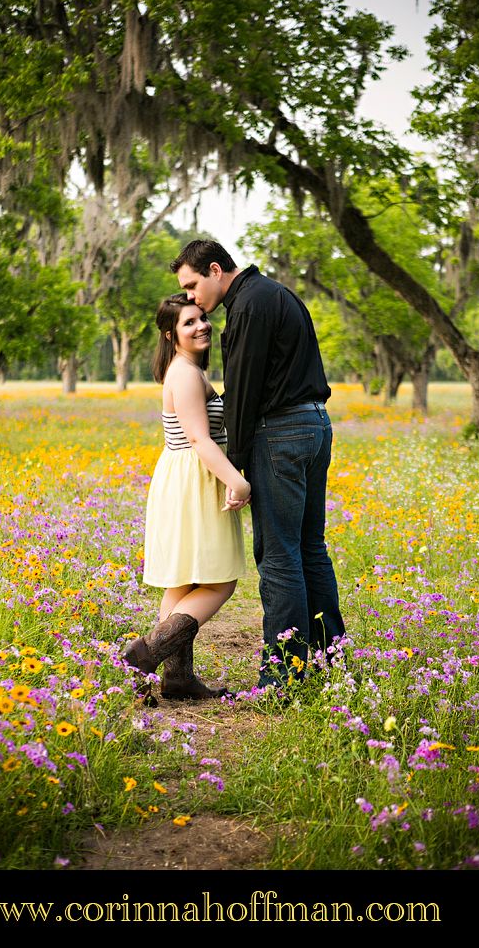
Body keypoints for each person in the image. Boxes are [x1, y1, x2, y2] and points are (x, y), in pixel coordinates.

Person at [170, 240, 346, 690]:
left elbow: (244, 391)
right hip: (316, 424)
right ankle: (332, 663)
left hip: (282, 433)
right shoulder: (278, 292)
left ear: (214, 269)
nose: (191, 297)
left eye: (192, 285)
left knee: (280, 554)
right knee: (310, 549)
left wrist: (236, 467)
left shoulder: (247, 305)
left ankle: (286, 677)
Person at [123, 292, 250, 700]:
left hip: (183, 476)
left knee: (183, 582)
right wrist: (238, 481)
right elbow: (198, 437)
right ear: (170, 334)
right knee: (219, 582)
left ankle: (177, 679)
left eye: (202, 319)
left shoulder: (186, 371)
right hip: (193, 477)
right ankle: (148, 654)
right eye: (189, 323)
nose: (201, 327)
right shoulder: (184, 374)